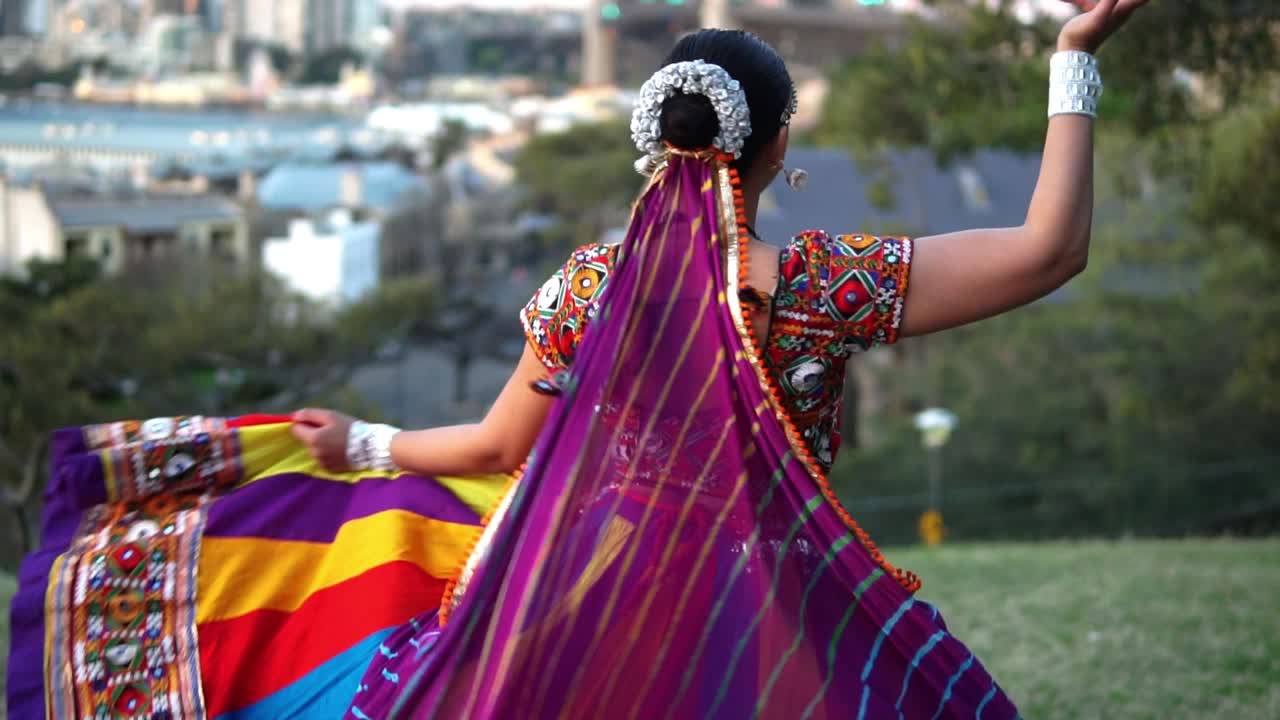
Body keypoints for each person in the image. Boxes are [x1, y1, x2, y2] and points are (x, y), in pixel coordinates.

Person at [7, 2, 1148, 718]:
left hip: (577, 601)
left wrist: (356, 441)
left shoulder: (585, 290)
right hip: (760, 622)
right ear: (778, 147)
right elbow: (1050, 250)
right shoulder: (811, 286)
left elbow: (500, 446)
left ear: (650, 151)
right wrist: (1070, 58)